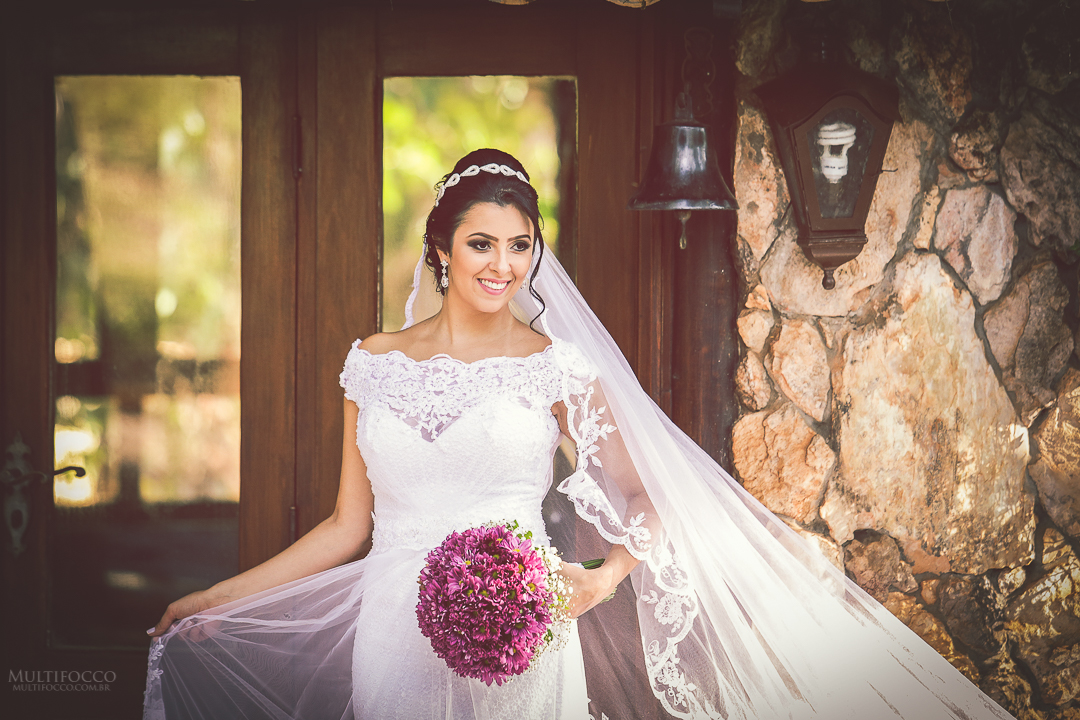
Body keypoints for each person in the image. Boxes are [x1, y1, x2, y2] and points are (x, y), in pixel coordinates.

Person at [144, 149, 1018, 720]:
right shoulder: (370, 363)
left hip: (522, 629)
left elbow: (648, 496)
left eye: (520, 246)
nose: (502, 265)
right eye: (481, 243)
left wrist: (604, 581)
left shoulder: (555, 366)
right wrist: (215, 600)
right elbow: (346, 527)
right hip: (393, 629)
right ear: (441, 249)